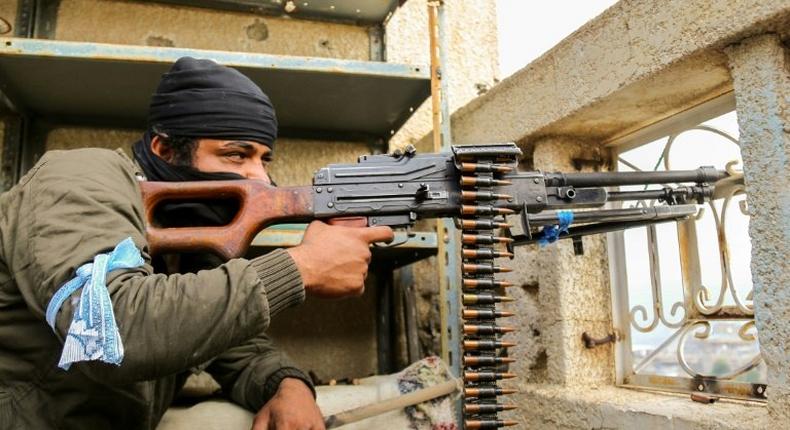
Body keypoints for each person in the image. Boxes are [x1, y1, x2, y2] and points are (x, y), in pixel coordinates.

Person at [0, 57, 393, 430]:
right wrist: (300, 268)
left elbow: (219, 339)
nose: (258, 178)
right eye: (236, 155)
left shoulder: (185, 223)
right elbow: (106, 332)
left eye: (264, 159)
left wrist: (285, 384)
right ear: (164, 149)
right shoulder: (78, 178)